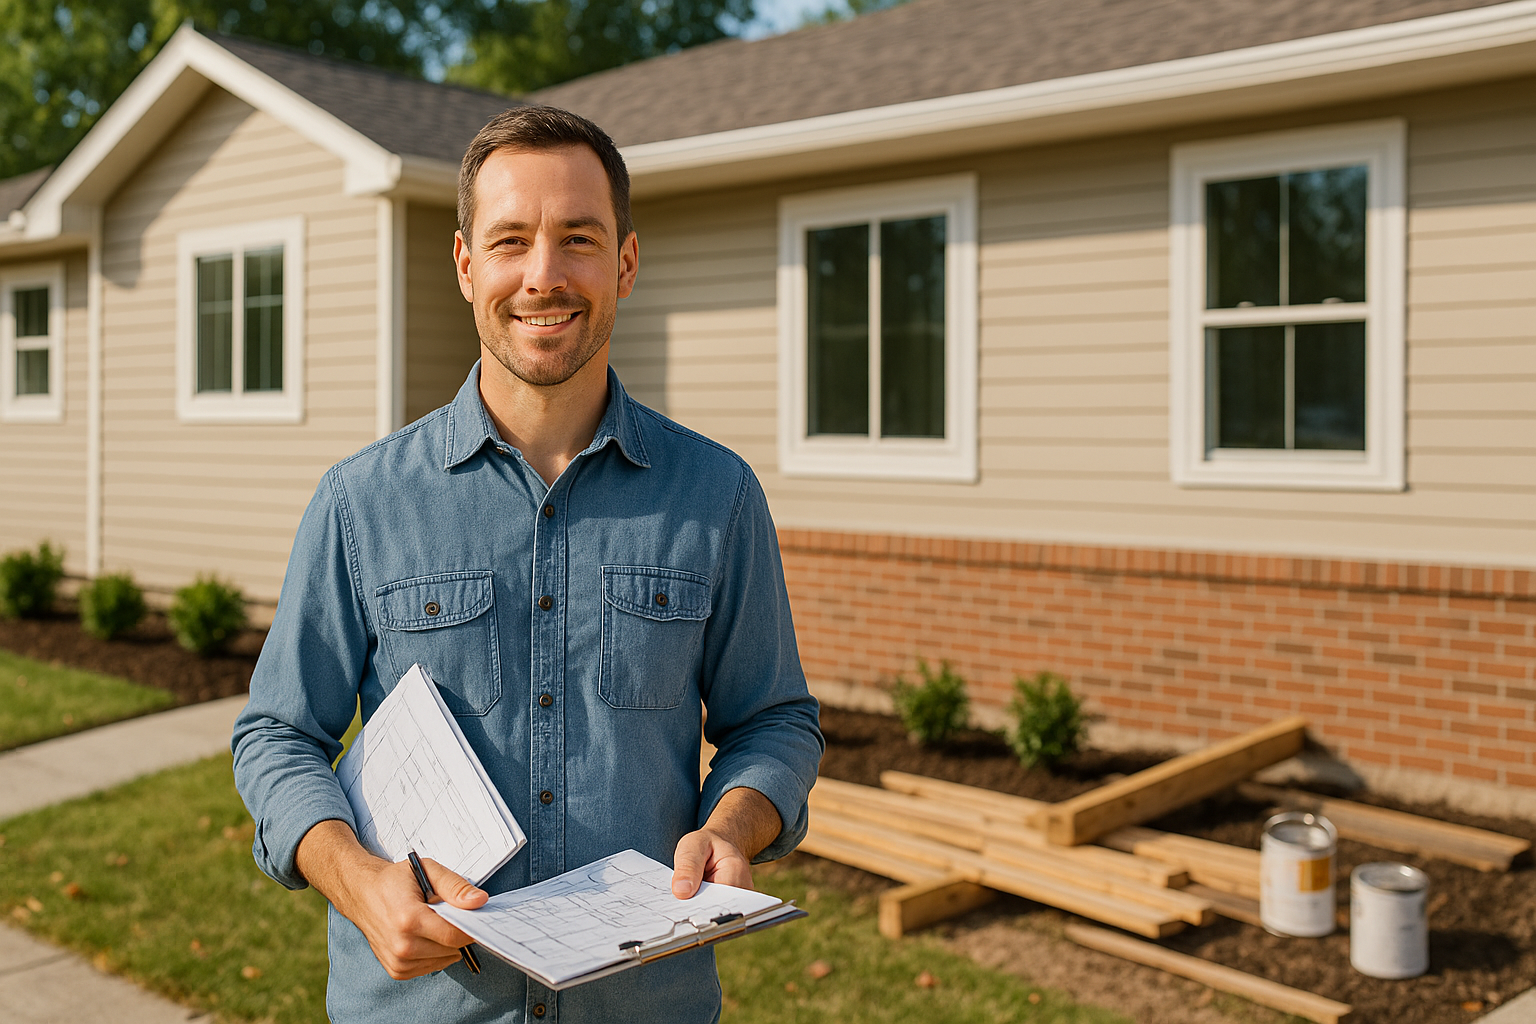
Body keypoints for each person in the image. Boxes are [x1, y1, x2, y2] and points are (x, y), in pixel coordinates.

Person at [231, 105, 824, 1024]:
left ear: (626, 261)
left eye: (577, 239)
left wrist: (731, 826)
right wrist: (358, 882)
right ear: (467, 265)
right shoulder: (360, 503)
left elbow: (775, 721)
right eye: (510, 241)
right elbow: (276, 737)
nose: (542, 275)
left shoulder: (719, 498)